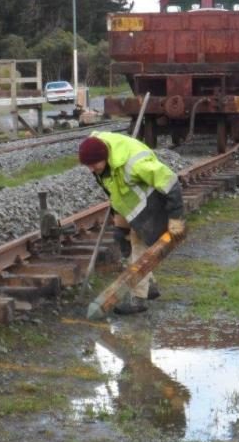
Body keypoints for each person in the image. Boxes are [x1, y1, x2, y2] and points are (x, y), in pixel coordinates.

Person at [78, 131, 185, 315]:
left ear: (104, 157)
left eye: (93, 165)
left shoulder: (135, 164)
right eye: (88, 165)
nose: (91, 170)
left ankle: (138, 299)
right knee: (124, 239)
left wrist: (176, 217)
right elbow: (114, 190)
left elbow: (170, 181)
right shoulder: (98, 154)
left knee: (138, 247)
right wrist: (119, 222)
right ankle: (149, 286)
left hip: (153, 203)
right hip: (128, 204)